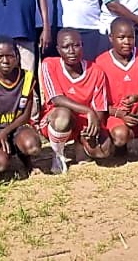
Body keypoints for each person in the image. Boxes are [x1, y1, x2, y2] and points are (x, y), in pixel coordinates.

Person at [39, 29, 113, 174]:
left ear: (82, 45)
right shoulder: (49, 64)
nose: (72, 51)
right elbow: (56, 98)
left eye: (76, 45)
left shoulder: (96, 70)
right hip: (56, 119)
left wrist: (94, 128)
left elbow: (99, 106)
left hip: (83, 122)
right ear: (58, 49)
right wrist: (87, 111)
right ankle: (58, 154)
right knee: (63, 116)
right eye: (66, 47)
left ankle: (80, 142)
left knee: (104, 151)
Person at [0, 36, 41, 184]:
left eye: (10, 56)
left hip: (16, 127)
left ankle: (26, 159)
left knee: (33, 146)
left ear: (17, 56)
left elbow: (25, 116)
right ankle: (0, 155)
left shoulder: (27, 78)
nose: (5, 61)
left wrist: (6, 131)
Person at [94, 18, 138, 165]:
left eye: (131, 37)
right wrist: (121, 114)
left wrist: (137, 98)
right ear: (111, 38)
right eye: (121, 37)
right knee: (119, 136)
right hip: (116, 113)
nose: (127, 42)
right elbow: (100, 103)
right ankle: (122, 146)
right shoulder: (101, 62)